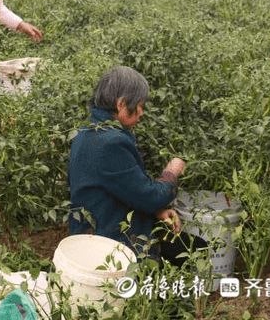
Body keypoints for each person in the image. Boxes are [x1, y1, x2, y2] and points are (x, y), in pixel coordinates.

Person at [68, 66, 207, 267]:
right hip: (111, 243)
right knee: (195, 251)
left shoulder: (86, 132)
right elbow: (151, 197)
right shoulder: (111, 143)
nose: (141, 112)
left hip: (93, 232)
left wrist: (156, 212)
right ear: (121, 104)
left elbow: (119, 189)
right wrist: (171, 172)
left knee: (188, 246)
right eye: (139, 105)